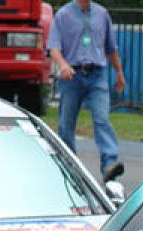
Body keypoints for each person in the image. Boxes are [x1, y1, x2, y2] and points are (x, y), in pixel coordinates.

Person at [47, 0, 125, 182]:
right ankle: (70, 165)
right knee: (66, 125)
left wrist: (119, 73)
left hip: (97, 74)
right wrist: (62, 65)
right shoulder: (63, 15)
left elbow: (111, 48)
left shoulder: (102, 13)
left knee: (102, 119)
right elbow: (53, 47)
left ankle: (109, 164)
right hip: (72, 75)